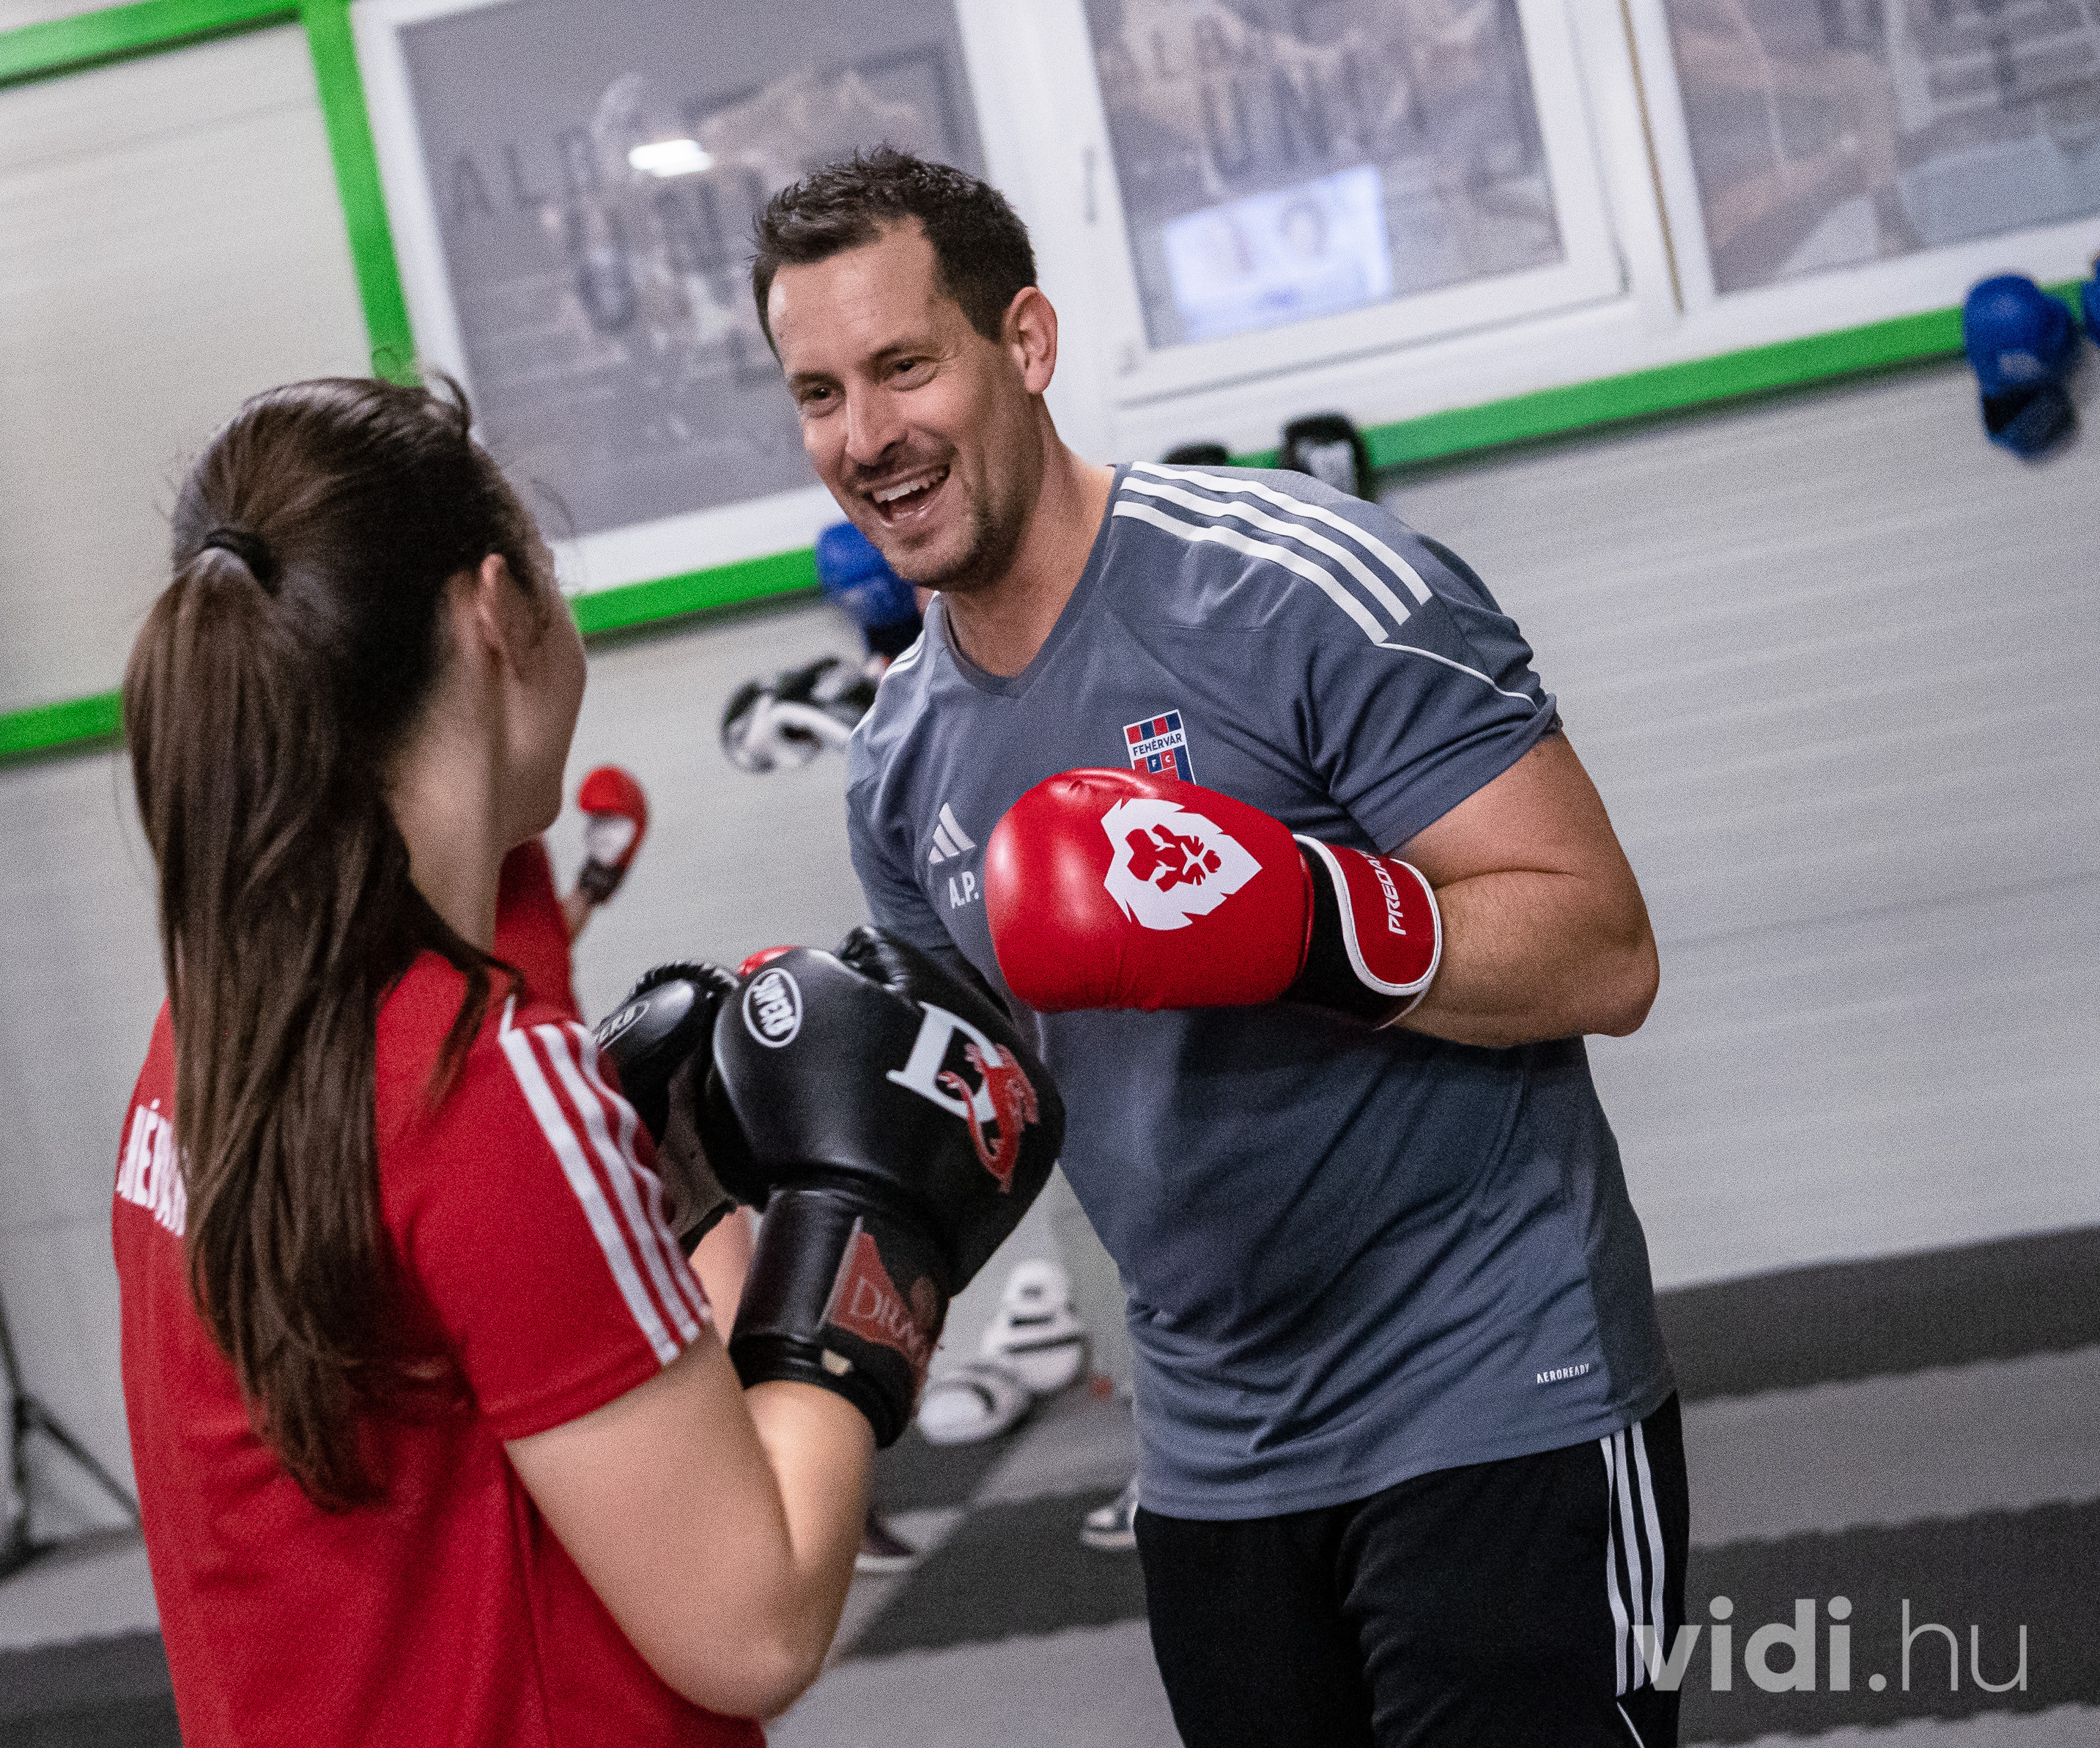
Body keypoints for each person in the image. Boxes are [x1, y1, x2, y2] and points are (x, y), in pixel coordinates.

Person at [753, 152, 1686, 1747]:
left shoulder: (1293, 585)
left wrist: (1299, 920)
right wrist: (765, 1183)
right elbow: (986, 1119)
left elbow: (1603, 950)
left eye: (905, 365)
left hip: (1495, 1388)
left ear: (1026, 342)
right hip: (1215, 1461)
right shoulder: (897, 765)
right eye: (819, 393)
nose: (867, 436)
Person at [110, 377, 887, 1746]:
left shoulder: (206, 1044)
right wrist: (872, 1245)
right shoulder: (480, 1086)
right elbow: (753, 1626)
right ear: (492, 610)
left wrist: (664, 1193)